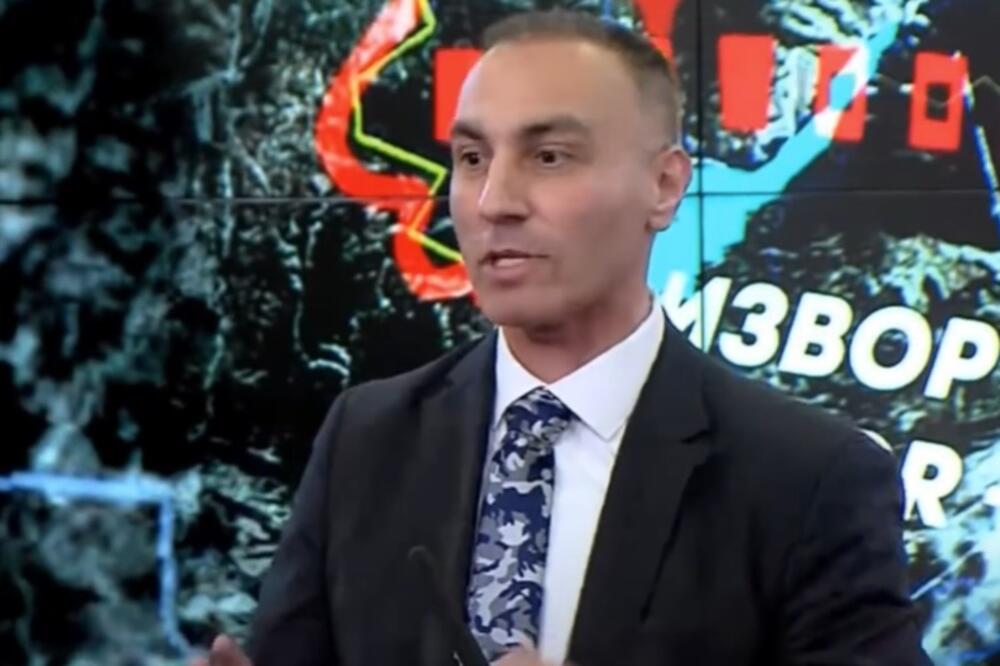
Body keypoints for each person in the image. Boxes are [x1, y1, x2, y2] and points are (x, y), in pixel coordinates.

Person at [193, 9, 931, 666]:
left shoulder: (810, 480)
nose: (493, 202)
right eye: (472, 159)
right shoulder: (367, 438)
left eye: (548, 157)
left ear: (665, 187)